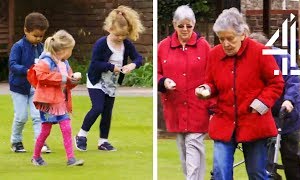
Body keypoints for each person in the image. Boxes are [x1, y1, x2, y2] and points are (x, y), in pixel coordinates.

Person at [195, 8, 284, 179]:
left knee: (257, 173)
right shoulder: (214, 55)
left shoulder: (261, 52)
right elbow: (211, 82)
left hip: (254, 121)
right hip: (224, 121)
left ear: (243, 34)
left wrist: (262, 103)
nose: (226, 44)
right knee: (220, 171)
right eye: (221, 39)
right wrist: (206, 90)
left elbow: (276, 82)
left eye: (230, 38)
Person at [75, 5, 145, 152]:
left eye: (123, 35)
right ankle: (81, 135)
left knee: (107, 112)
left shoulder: (126, 44)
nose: (120, 38)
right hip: (96, 81)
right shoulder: (101, 43)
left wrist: (132, 65)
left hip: (111, 83)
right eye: (117, 35)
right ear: (109, 29)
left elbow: (139, 58)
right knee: (98, 108)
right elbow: (95, 63)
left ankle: (103, 141)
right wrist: (111, 67)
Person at [158, 5, 212, 180]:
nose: (185, 30)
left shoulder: (204, 46)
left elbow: (213, 75)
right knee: (184, 152)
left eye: (189, 26)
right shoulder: (163, 47)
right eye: (181, 26)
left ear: (194, 24)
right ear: (174, 24)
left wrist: (206, 88)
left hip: (198, 106)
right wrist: (164, 81)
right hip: (175, 107)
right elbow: (157, 74)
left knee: (194, 145)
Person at [249, 32, 300, 180]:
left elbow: (293, 81)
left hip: (289, 114)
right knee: (267, 158)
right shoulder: (251, 61)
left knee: (291, 154)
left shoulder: (283, 58)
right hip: (266, 114)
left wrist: (288, 100)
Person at [29, 30, 84, 166]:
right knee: (45, 130)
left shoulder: (65, 63)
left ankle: (71, 159)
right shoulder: (46, 61)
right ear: (64, 50)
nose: (71, 52)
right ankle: (36, 157)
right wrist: (63, 78)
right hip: (48, 103)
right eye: (71, 49)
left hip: (61, 103)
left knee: (67, 128)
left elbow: (68, 83)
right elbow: (41, 76)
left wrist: (74, 81)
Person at [9, 12, 51, 153]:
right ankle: (16, 141)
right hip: (19, 87)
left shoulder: (42, 47)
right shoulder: (18, 46)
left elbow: (46, 62)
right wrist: (27, 71)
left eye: (41, 36)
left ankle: (40, 142)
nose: (38, 39)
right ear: (25, 30)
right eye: (35, 35)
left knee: (38, 116)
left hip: (36, 88)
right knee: (21, 117)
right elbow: (12, 65)